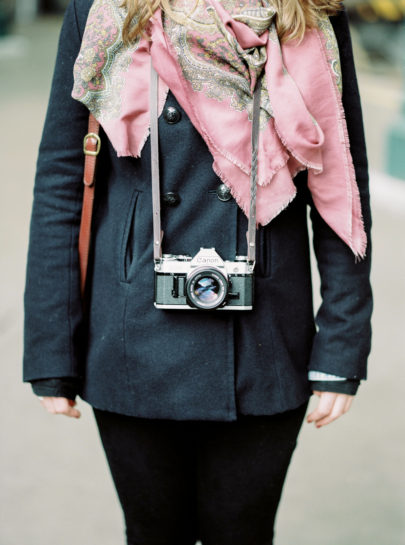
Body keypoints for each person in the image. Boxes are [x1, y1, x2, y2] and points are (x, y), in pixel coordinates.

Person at [23, 0, 373, 543]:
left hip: (265, 336)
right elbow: (62, 184)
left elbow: (342, 180)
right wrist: (52, 349)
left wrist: (342, 344)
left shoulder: (309, 15)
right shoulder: (101, 11)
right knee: (152, 532)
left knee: (244, 532)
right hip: (132, 331)